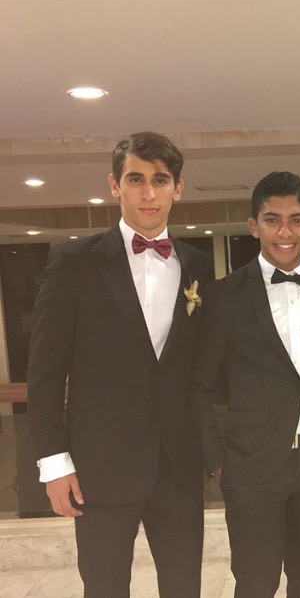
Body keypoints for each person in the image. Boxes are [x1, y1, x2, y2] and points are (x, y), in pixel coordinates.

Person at [27, 132, 213, 598]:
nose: (148, 193)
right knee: (105, 588)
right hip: (100, 469)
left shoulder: (197, 266)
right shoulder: (73, 263)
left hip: (178, 465)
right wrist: (53, 463)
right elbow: (45, 372)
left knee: (184, 587)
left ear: (178, 189)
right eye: (135, 179)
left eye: (160, 180)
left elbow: (202, 370)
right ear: (115, 185)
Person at [191, 171, 300, 598]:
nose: (285, 232)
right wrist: (216, 459)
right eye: (272, 219)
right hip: (250, 466)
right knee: (256, 583)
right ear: (253, 225)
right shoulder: (224, 296)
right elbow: (199, 385)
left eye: (296, 220)